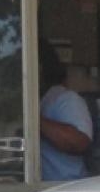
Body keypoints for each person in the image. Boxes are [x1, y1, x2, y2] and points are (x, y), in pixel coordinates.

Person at [38, 42, 94, 181]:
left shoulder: (64, 99)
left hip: (67, 187)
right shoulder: (40, 100)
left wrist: (35, 121)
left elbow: (79, 142)